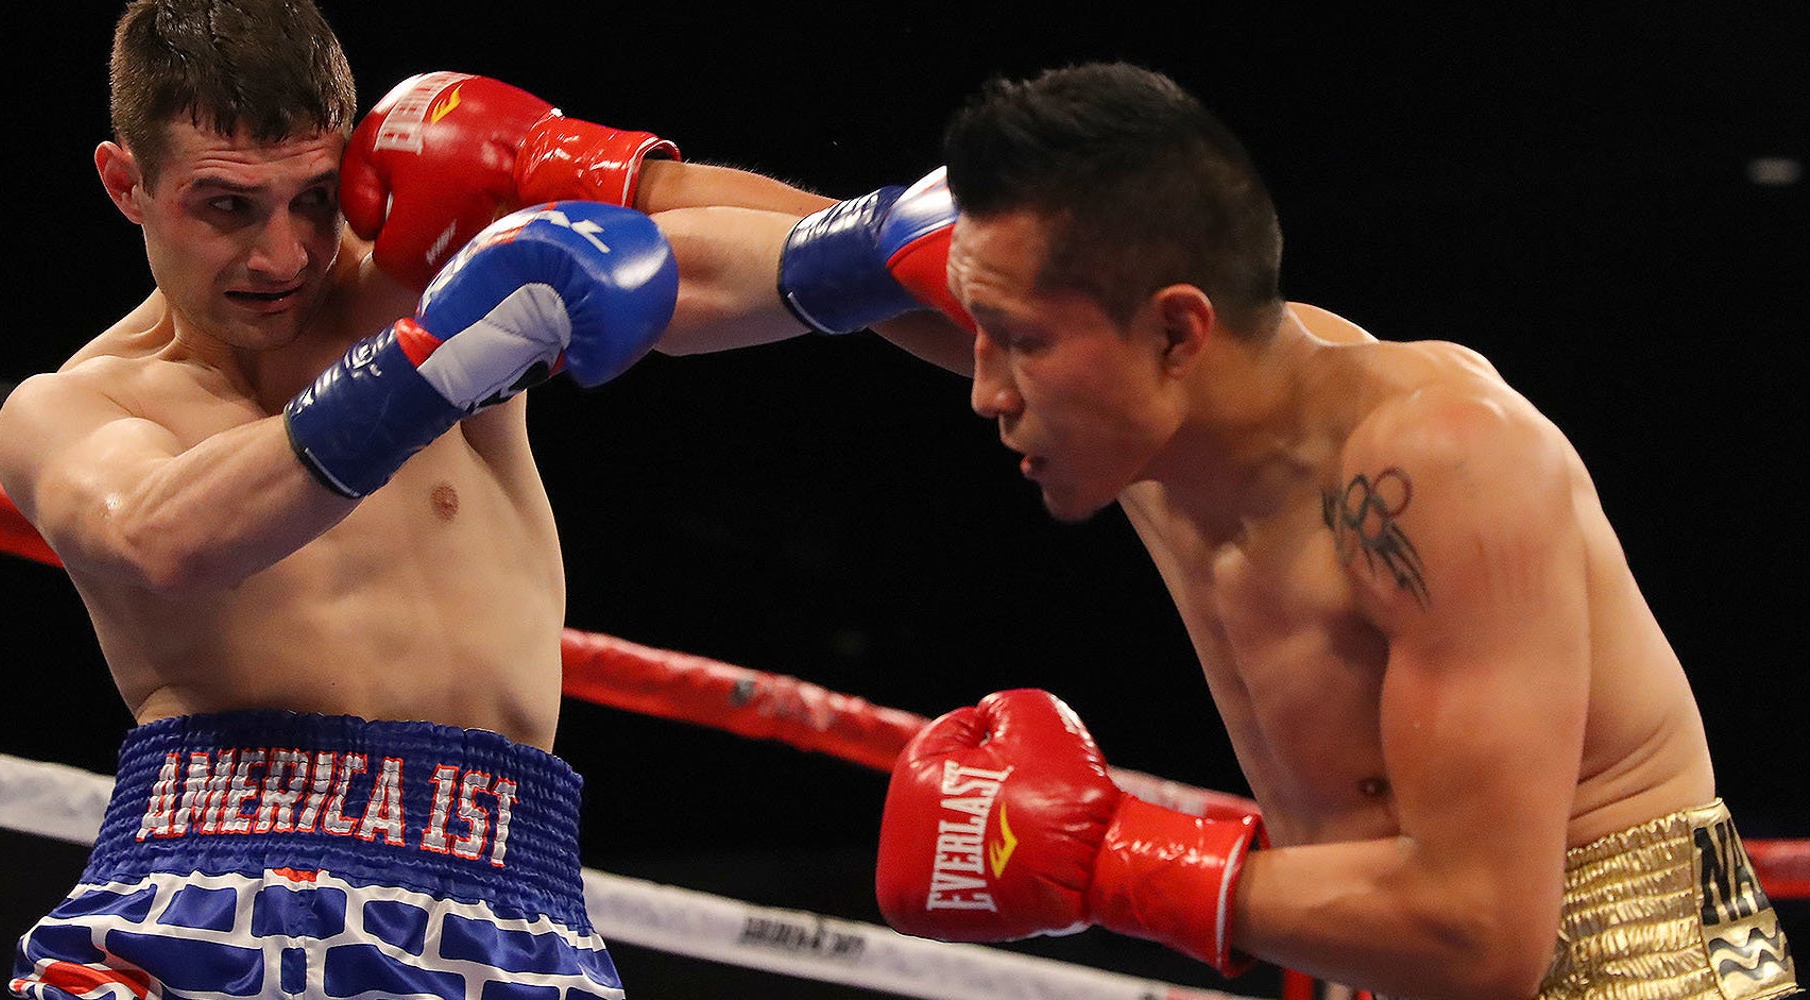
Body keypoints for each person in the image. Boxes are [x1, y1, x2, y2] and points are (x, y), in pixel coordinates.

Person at [691, 63, 1800, 998]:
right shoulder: (1117, 379)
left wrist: (1102, 857)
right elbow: (823, 255)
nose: (983, 387)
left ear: (1177, 332)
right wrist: (586, 166)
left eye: (1015, 342)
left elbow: (1481, 929)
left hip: (1633, 970)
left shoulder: (1439, 461)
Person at [0, 1, 844, 996]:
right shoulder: (75, 404)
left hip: (509, 899)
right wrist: (432, 362)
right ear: (125, 183)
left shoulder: (425, 281)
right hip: (210, 892)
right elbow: (163, 534)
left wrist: (611, 170)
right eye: (225, 205)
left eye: (313, 198)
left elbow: (765, 265)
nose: (282, 256)